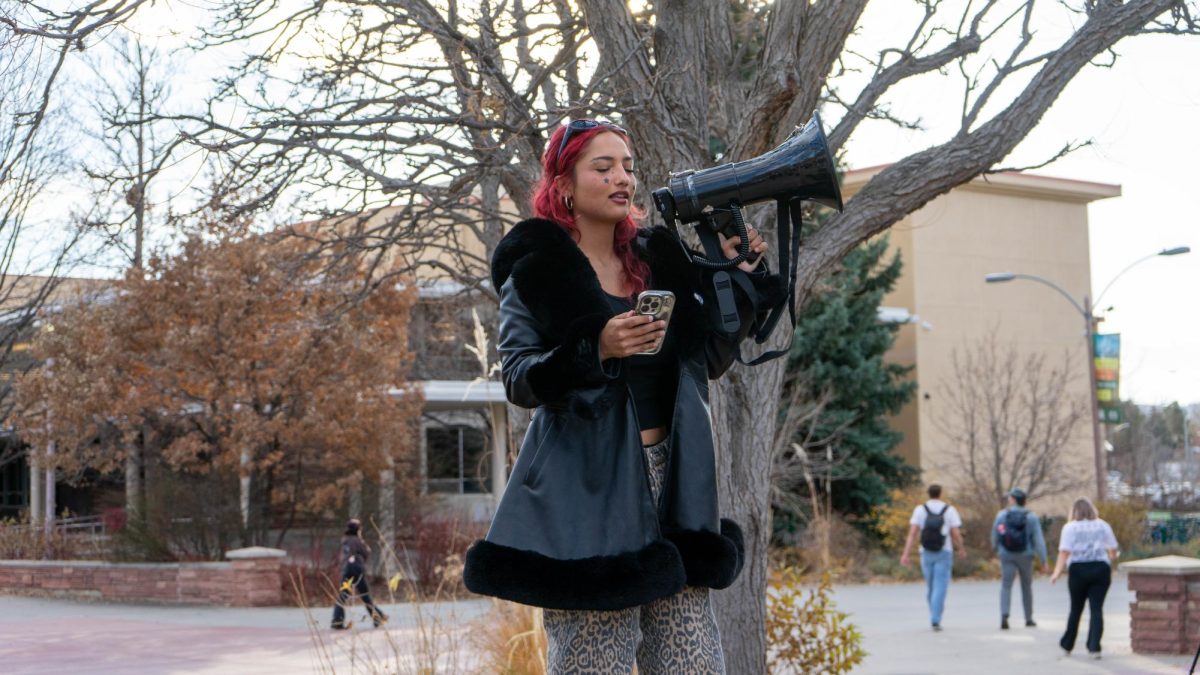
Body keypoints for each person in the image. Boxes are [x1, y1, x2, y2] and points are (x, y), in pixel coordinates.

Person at [462, 118, 783, 673]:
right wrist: (596, 347)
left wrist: (741, 279)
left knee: (694, 662)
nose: (622, 179)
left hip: (675, 483)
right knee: (596, 661)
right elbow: (518, 377)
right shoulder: (538, 273)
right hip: (590, 490)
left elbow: (706, 359)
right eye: (603, 167)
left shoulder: (659, 260)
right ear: (563, 184)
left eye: (629, 167)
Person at [1051, 497, 1119, 659]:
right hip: (1100, 568)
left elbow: (1064, 552)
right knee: (1096, 609)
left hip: (1078, 570)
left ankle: (1068, 644)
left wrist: (1057, 572)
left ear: (1074, 511)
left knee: (1076, 608)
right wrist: (1112, 557)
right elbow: (1113, 549)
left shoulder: (1070, 528)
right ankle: (1094, 647)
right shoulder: (1103, 525)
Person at [900, 484, 965, 631]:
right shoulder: (949, 510)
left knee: (931, 586)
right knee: (940, 586)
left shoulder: (920, 510)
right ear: (940, 494)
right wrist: (961, 548)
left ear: (928, 494)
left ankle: (933, 613)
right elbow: (955, 533)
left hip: (926, 551)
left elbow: (912, 533)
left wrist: (906, 554)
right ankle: (936, 618)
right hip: (944, 552)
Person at [991, 487, 1048, 629]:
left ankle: (1004, 614)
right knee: (1026, 586)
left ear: (1013, 499)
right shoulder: (1032, 517)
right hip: (1026, 555)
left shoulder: (1002, 515)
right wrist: (1043, 559)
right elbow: (1039, 540)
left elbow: (995, 534)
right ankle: (1028, 618)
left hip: (1007, 554)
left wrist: (996, 549)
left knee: (1006, 585)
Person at [331, 518, 388, 630]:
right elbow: (367, 552)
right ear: (357, 530)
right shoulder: (357, 540)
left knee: (342, 596)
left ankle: (337, 620)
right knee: (365, 595)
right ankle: (378, 617)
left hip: (346, 569)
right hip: (357, 569)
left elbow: (342, 557)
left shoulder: (345, 541)